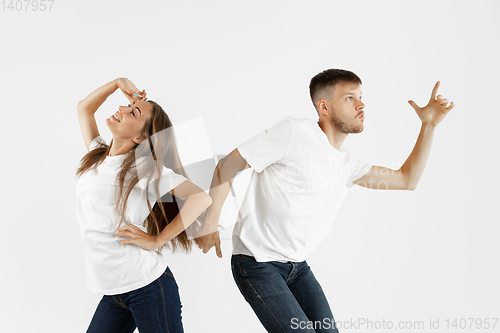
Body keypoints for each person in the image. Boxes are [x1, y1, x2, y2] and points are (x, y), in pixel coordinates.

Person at [195, 69, 454, 332]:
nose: (361, 104)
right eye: (350, 98)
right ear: (324, 107)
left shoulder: (347, 165)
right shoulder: (295, 131)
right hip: (257, 263)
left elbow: (406, 180)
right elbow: (228, 164)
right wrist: (209, 224)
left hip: (297, 268)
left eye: (361, 97)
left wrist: (428, 125)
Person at [75, 78, 212, 333]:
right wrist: (117, 83)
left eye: (133, 111)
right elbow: (84, 108)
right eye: (129, 105)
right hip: (115, 292)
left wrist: (157, 240)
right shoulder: (98, 155)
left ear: (140, 136)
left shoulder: (140, 169)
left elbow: (200, 197)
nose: (123, 109)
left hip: (147, 287)